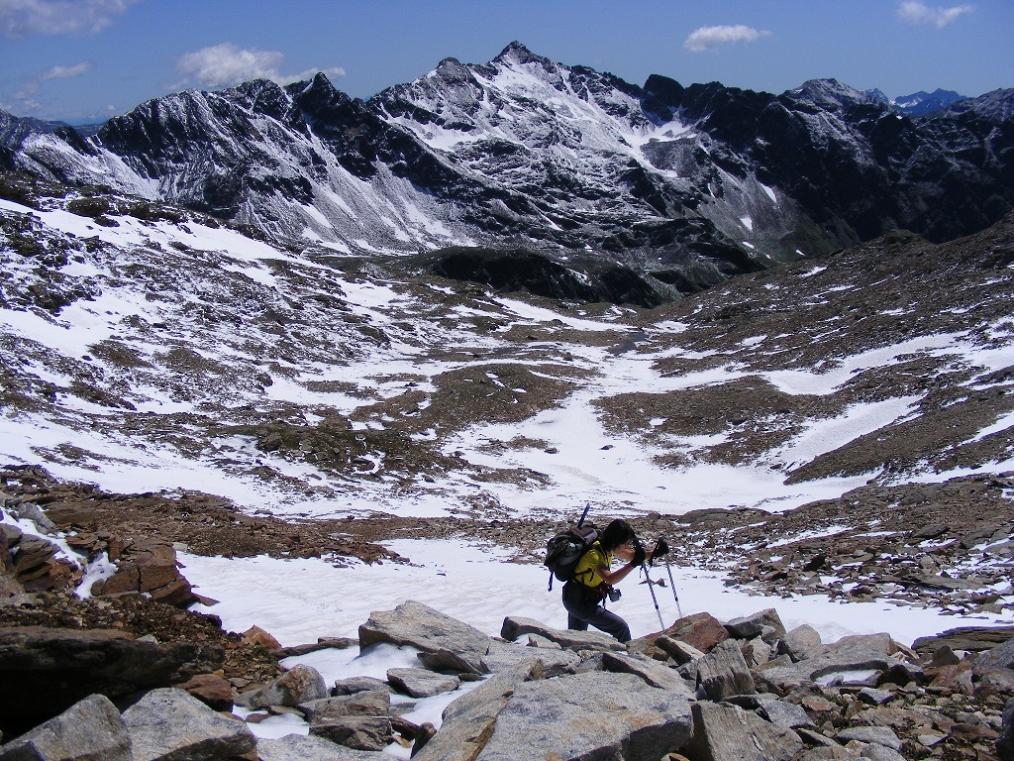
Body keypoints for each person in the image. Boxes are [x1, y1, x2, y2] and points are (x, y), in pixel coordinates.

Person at [562, 518, 668, 643]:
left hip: (578, 598)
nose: (626, 547)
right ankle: (629, 659)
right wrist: (633, 565)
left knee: (576, 638)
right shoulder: (594, 555)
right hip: (578, 601)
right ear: (615, 542)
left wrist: (654, 553)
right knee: (620, 628)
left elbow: (632, 556)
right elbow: (609, 578)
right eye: (624, 543)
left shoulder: (607, 548)